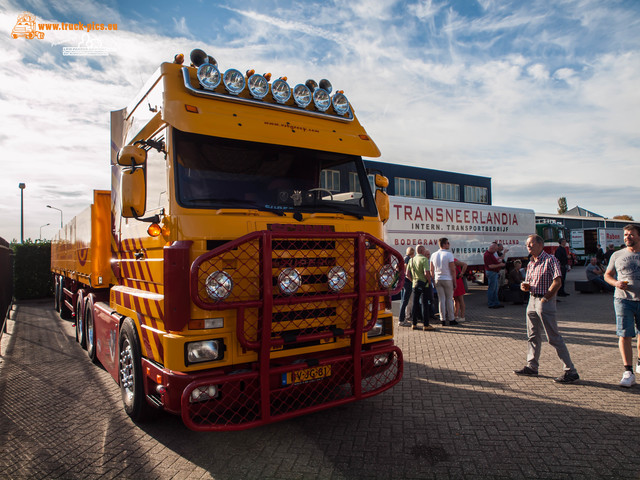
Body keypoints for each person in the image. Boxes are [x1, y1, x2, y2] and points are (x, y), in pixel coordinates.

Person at [514, 234, 580, 383]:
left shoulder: (550, 260)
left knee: (553, 337)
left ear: (540, 244)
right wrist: (524, 286)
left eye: (530, 244)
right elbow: (529, 283)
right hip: (532, 299)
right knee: (532, 336)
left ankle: (570, 370)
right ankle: (532, 366)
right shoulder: (531, 263)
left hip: (544, 301)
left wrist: (546, 297)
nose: (528, 246)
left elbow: (557, 281)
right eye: (527, 244)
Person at [604, 224, 640, 388]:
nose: (627, 237)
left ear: (638, 236)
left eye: (631, 234)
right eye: (625, 235)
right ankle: (628, 372)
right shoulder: (617, 255)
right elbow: (607, 275)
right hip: (623, 300)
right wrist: (616, 283)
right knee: (624, 334)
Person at [406, 245, 436, 331]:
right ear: (422, 251)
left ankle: (414, 324)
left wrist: (413, 281)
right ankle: (426, 324)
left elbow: (407, 274)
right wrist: (430, 283)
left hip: (414, 285)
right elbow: (426, 273)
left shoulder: (411, 260)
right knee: (424, 304)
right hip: (424, 285)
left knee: (415, 304)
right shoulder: (424, 259)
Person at [430, 238, 457, 326]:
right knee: (449, 299)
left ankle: (442, 319)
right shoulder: (449, 255)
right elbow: (452, 270)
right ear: (444, 244)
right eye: (448, 243)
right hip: (447, 278)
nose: (449, 245)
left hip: (438, 278)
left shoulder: (433, 255)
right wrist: (454, 281)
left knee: (441, 299)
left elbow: (431, 269)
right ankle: (451, 319)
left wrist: (433, 279)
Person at [484, 243, 505, 309]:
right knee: (492, 288)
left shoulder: (491, 254)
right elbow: (490, 266)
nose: (496, 251)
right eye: (495, 250)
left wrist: (498, 259)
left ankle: (496, 302)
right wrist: (500, 265)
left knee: (495, 289)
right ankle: (491, 303)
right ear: (492, 248)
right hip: (491, 272)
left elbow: (494, 262)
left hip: (494, 272)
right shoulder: (487, 255)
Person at [398, 247, 415, 327]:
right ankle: (401, 320)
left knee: (403, 301)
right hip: (408, 282)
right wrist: (412, 280)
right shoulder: (409, 260)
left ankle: (402, 318)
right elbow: (407, 273)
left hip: (403, 282)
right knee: (405, 301)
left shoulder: (404, 258)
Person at [453, 258, 467, 323]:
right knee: (455, 300)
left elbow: (465, 264)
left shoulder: (454, 260)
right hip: (454, 281)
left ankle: (462, 316)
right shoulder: (452, 260)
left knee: (460, 299)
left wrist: (462, 273)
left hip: (457, 281)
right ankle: (456, 315)